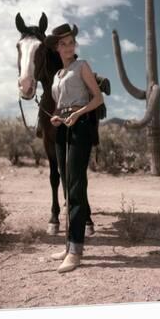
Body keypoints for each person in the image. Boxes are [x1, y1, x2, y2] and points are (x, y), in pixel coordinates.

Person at [44, 23, 104, 273]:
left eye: (71, 43)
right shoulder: (58, 76)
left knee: (77, 185)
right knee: (67, 186)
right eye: (63, 43)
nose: (69, 47)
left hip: (81, 127)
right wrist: (55, 117)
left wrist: (78, 114)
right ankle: (68, 246)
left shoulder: (82, 66)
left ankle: (76, 250)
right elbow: (60, 105)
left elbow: (97, 98)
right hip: (63, 127)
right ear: (57, 47)